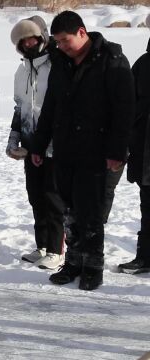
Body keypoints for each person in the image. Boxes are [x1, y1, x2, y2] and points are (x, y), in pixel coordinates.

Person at [31, 11, 134, 290]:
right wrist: (39, 144)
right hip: (65, 150)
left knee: (90, 212)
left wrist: (117, 151)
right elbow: (50, 108)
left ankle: (93, 266)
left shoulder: (111, 62)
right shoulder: (61, 64)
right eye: (57, 42)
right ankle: (74, 262)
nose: (61, 46)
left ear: (82, 32)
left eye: (65, 41)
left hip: (96, 152)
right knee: (69, 211)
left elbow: (124, 111)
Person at [7, 16, 65, 270]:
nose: (28, 43)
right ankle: (42, 245)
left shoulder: (56, 65)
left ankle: (56, 249)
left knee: (53, 197)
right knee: (36, 196)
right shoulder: (22, 70)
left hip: (55, 144)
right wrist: (14, 138)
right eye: (22, 40)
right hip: (31, 144)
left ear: (42, 36)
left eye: (31, 38)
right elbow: (20, 107)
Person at [118, 15, 150, 275]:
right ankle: (145, 256)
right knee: (147, 205)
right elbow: (127, 105)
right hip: (145, 150)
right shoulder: (143, 64)